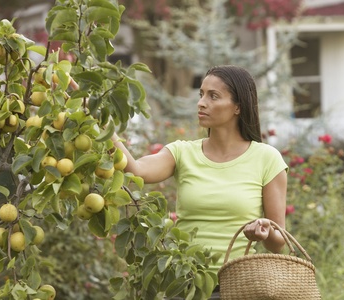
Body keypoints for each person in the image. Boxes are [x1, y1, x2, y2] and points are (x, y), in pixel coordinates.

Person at [112, 65, 288, 299]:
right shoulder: (182, 153)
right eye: (201, 94)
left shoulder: (267, 158)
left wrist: (265, 232)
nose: (201, 102)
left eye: (213, 96)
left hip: (240, 289)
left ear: (238, 106)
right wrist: (99, 124)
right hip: (184, 287)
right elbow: (137, 170)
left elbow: (279, 243)